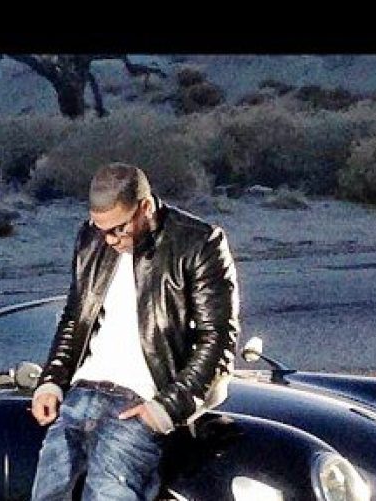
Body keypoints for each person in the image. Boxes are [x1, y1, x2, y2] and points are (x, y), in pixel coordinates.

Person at [30, 162, 240, 501]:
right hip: (80, 396)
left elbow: (217, 339)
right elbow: (75, 317)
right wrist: (52, 380)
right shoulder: (90, 237)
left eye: (119, 229)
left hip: (138, 402)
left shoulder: (198, 243)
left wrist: (166, 408)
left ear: (145, 207)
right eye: (102, 230)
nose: (110, 240)